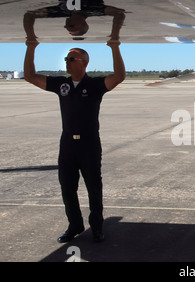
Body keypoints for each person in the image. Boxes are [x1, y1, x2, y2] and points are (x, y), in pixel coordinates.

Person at [23, 26, 125, 243]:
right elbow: (30, 76)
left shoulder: (96, 85)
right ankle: (75, 225)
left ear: (84, 63)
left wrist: (114, 48)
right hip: (67, 144)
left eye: (71, 58)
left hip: (89, 144)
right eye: (67, 58)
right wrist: (30, 48)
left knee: (93, 188)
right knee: (67, 188)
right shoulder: (62, 84)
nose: (67, 61)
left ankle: (97, 227)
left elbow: (119, 76)